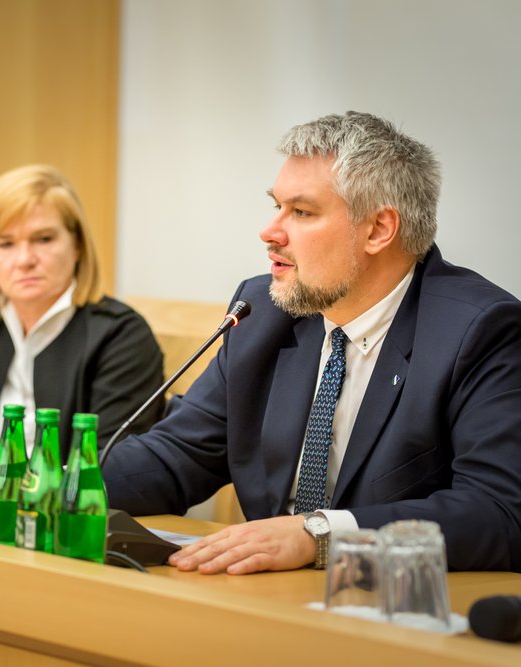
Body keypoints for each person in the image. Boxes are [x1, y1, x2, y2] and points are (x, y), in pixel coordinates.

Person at [104, 112, 521, 573]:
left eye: (301, 212)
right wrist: (58, 485)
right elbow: (177, 455)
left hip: (393, 602)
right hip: (265, 595)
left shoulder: (479, 331)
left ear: (379, 230)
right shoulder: (263, 313)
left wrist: (319, 535)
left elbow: (499, 512)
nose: (270, 231)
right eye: (277, 206)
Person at [0, 164, 164, 458]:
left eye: (44, 239)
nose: (24, 260)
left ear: (77, 245)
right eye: (6, 244)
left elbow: (111, 466)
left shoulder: (122, 336)